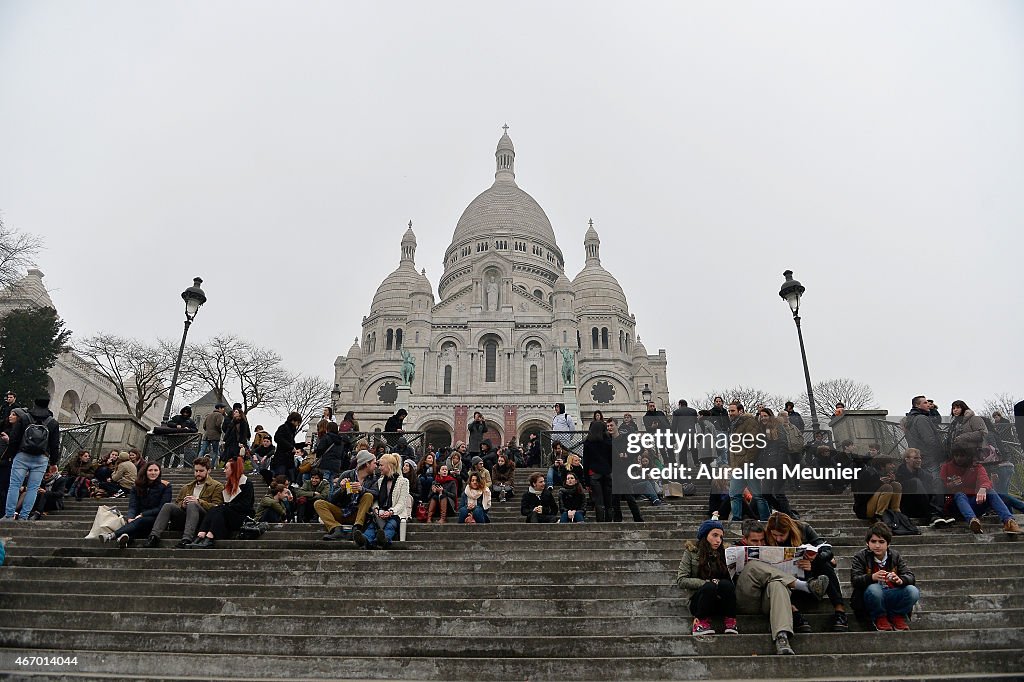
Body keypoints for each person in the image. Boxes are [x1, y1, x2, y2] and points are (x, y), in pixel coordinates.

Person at [732, 520, 829, 655]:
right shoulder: (735, 548)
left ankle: (782, 638)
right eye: (754, 541)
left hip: (768, 600)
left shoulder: (771, 547)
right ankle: (805, 586)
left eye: (762, 540)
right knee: (752, 566)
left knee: (778, 583)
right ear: (744, 539)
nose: (759, 544)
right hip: (746, 598)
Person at [765, 511, 848, 632]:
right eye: (775, 535)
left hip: (809, 579)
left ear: (789, 530)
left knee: (825, 565)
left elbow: (826, 550)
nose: (778, 538)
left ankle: (840, 611)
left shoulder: (803, 529)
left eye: (782, 535)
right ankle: (794, 612)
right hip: (786, 584)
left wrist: (813, 561)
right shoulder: (767, 536)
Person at [850, 523, 920, 631]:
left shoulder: (895, 556)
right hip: (871, 597)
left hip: (891, 592)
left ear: (888, 544)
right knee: (874, 589)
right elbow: (855, 580)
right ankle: (879, 617)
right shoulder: (860, 556)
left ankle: (897, 616)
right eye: (873, 541)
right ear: (867, 543)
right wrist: (872, 577)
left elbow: (910, 576)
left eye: (881, 542)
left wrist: (900, 580)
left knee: (913, 591)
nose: (877, 545)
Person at [675, 519, 737, 637]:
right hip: (700, 601)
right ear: (705, 536)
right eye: (714, 535)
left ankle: (731, 621)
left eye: (720, 536)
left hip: (721, 602)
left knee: (726, 585)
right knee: (709, 587)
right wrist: (705, 583)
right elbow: (681, 580)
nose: (718, 540)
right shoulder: (691, 553)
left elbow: (732, 580)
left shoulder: (725, 553)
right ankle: (700, 622)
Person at [146, 457, 224, 548]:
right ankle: (154, 537)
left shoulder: (217, 486)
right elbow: (177, 503)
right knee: (168, 506)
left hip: (203, 520)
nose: (198, 473)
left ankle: (187, 539)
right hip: (185, 518)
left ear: (209, 470)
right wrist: (182, 505)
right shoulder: (187, 487)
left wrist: (198, 501)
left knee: (193, 503)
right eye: (196, 471)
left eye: (201, 471)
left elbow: (217, 507)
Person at [941, 444, 1021, 534]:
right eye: (956, 455)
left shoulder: (977, 467)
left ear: (968, 457)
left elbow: (985, 480)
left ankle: (1009, 522)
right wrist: (950, 485)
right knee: (960, 494)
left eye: (962, 456)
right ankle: (973, 521)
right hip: (957, 506)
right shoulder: (946, 467)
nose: (959, 458)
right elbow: (940, 486)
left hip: (975, 503)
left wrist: (983, 488)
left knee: (991, 492)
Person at [3, 397, 61, 520]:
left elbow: (14, 438)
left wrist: (11, 455)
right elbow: (55, 445)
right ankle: (24, 516)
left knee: (14, 485)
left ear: (34, 404)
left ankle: (9, 515)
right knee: (33, 489)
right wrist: (54, 462)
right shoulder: (53, 423)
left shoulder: (25, 418)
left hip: (22, 455)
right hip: (41, 458)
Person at [101, 461, 172, 548]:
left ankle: (111, 535)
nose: (153, 473)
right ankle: (124, 539)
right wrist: (130, 517)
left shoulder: (165, 486)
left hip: (157, 518)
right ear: (145, 471)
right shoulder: (137, 486)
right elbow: (133, 505)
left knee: (140, 521)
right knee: (137, 524)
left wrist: (143, 515)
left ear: (159, 472)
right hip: (138, 517)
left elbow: (162, 508)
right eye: (150, 470)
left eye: (156, 470)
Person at [190, 456, 255, 548]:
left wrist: (228, 505)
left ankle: (210, 537)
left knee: (221, 509)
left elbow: (245, 506)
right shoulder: (229, 485)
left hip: (242, 517)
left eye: (226, 468)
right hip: (229, 515)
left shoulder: (247, 484)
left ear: (234, 470)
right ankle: (201, 534)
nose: (224, 471)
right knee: (215, 508)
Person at [315, 450, 379, 541]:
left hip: (359, 514)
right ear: (367, 464)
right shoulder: (346, 474)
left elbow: (376, 494)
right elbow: (331, 499)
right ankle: (336, 529)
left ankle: (357, 528)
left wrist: (362, 489)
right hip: (343, 511)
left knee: (368, 495)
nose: (376, 466)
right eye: (374, 463)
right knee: (319, 503)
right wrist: (341, 489)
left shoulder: (374, 479)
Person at [356, 453, 410, 549]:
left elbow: (401, 503)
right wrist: (376, 509)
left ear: (389, 466)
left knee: (390, 525)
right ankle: (364, 539)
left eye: (381, 465)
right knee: (372, 526)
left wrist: (390, 512)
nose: (379, 468)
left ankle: (382, 540)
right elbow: (377, 499)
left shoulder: (403, 482)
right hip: (381, 512)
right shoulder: (380, 481)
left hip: (396, 514)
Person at [728, 401, 769, 522]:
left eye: (732, 411)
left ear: (740, 411)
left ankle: (765, 520)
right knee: (734, 494)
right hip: (738, 466)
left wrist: (746, 460)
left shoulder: (749, 422)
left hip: (748, 465)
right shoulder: (734, 424)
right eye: (729, 411)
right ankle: (736, 519)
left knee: (758, 495)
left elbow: (754, 443)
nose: (730, 413)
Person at [757, 408, 796, 518]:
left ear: (770, 416)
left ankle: (788, 516)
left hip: (779, 464)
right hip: (768, 465)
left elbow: (783, 445)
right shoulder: (762, 430)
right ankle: (787, 513)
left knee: (779, 492)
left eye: (765, 415)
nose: (763, 418)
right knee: (766, 493)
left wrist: (780, 463)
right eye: (762, 416)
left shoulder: (778, 427)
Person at [607, 418, 644, 522]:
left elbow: (640, 447)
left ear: (616, 426)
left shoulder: (626, 438)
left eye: (611, 425)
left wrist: (627, 454)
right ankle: (618, 520)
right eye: (608, 426)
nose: (609, 428)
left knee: (629, 496)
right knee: (615, 498)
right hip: (613, 471)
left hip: (624, 470)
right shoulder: (608, 440)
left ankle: (638, 518)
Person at [852, 452, 903, 521]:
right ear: (882, 466)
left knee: (896, 485)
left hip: (878, 505)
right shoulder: (868, 473)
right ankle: (879, 515)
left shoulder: (884, 474)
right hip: (864, 509)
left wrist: (892, 481)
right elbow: (861, 497)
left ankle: (896, 512)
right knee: (887, 487)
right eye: (890, 464)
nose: (893, 466)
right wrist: (879, 483)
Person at [581, 418, 613, 521]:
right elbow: (612, 459)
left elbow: (585, 463)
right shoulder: (608, 441)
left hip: (594, 474)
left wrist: (586, 482)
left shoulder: (588, 443)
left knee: (599, 501)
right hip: (607, 473)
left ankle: (601, 523)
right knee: (608, 502)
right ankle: (609, 522)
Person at [904, 396, 945, 473]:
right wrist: (939, 455)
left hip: (920, 456)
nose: (928, 405)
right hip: (929, 458)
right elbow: (929, 439)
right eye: (925, 403)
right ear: (917, 405)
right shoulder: (921, 419)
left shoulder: (911, 419)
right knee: (935, 482)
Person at [315, 422, 347, 498]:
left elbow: (319, 450)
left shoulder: (326, 437)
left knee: (325, 483)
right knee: (331, 483)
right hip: (336, 465)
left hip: (326, 463)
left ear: (328, 429)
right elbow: (342, 454)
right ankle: (330, 499)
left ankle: (324, 499)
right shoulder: (341, 441)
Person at [271, 412, 302, 481]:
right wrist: (290, 447)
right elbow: (277, 438)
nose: (298, 424)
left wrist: (304, 444)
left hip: (289, 460)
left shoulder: (292, 431)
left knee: (289, 479)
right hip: (281, 458)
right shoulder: (284, 427)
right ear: (293, 420)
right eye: (298, 422)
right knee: (281, 478)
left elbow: (293, 444)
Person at [672, 399, 699, 467]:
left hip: (681, 434)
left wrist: (673, 435)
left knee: (683, 450)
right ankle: (696, 462)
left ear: (680, 404)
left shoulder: (676, 412)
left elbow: (674, 425)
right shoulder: (693, 411)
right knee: (693, 448)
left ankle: (684, 465)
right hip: (691, 433)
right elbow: (696, 421)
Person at [199, 403, 226, 469]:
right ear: (219, 408)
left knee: (202, 450)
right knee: (215, 452)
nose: (223, 410)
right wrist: (220, 431)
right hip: (215, 436)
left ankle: (198, 464)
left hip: (207, 435)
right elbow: (218, 425)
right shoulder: (220, 415)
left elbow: (204, 426)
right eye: (222, 408)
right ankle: (212, 466)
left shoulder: (209, 415)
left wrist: (208, 430)